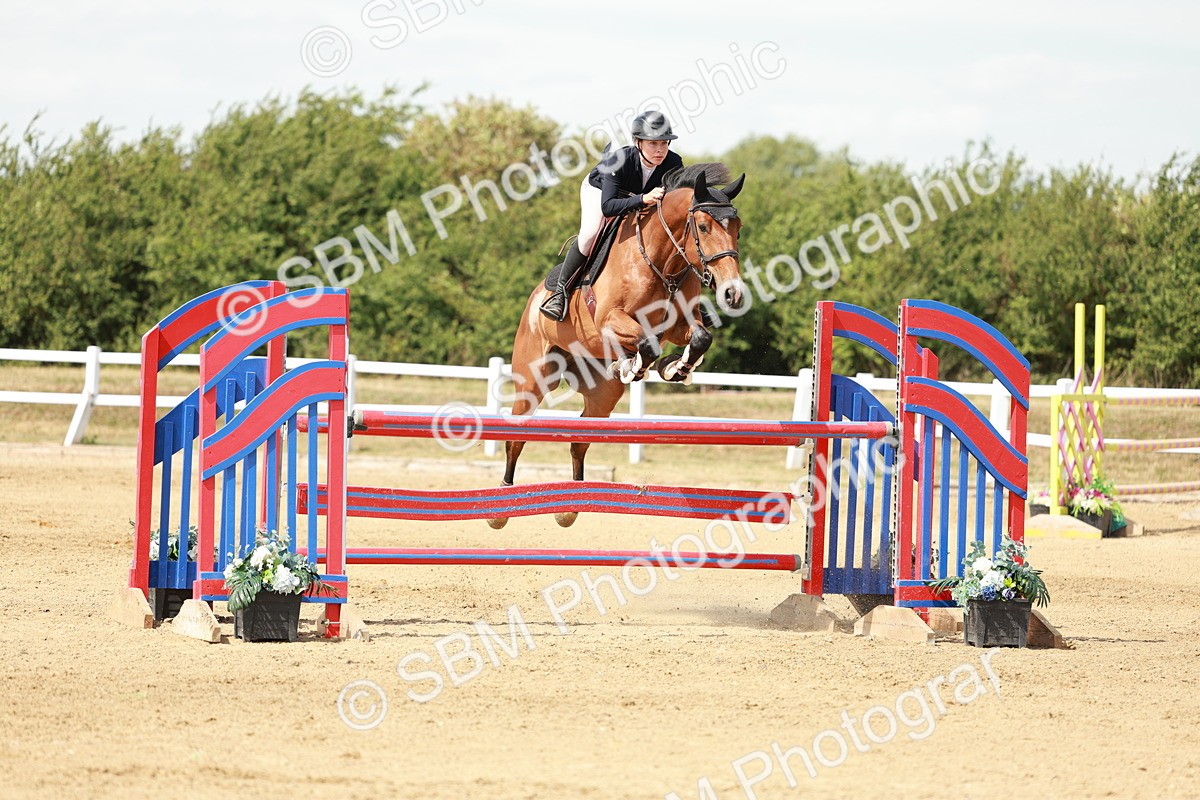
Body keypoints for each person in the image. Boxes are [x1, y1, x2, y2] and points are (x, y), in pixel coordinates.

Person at [539, 110, 685, 321]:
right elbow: (608, 207)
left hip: (639, 196)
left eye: (664, 143)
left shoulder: (674, 163)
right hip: (600, 191)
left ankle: (685, 300)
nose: (660, 149)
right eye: (653, 143)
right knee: (590, 233)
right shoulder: (619, 160)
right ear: (638, 142)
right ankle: (560, 294)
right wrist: (643, 199)